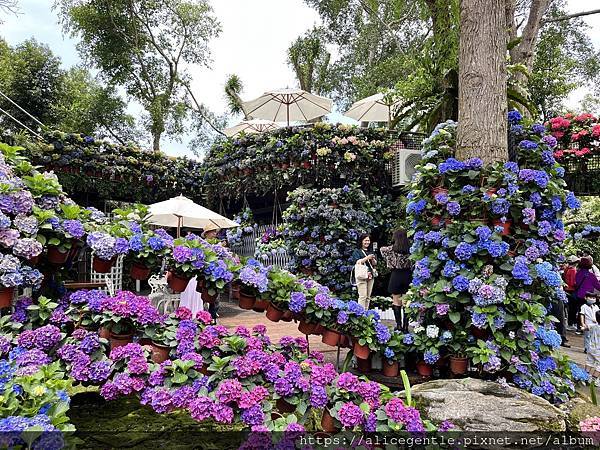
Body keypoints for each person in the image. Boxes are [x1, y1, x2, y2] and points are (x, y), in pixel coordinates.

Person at [380, 229, 412, 331]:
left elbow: (381, 250)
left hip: (395, 276)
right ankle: (406, 326)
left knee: (396, 301)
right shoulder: (410, 249)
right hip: (408, 275)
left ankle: (398, 325)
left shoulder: (391, 250)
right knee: (407, 302)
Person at [351, 233, 377, 309]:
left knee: (368, 297)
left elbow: (374, 264)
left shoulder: (370, 251)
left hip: (370, 275)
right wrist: (367, 258)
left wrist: (373, 259)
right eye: (365, 240)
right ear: (361, 241)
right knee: (363, 296)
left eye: (368, 240)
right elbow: (357, 262)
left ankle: (366, 315)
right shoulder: (357, 251)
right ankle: (360, 315)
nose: (367, 242)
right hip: (361, 276)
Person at [564, 255, 579, 330]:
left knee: (569, 307)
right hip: (572, 290)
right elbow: (573, 283)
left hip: (567, 289)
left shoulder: (567, 269)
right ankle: (571, 323)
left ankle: (570, 323)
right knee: (573, 308)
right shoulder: (573, 270)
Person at [585, 309, 600, 379]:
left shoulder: (593, 326)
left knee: (589, 362)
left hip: (590, 348)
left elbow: (585, 327)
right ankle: (594, 379)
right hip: (598, 350)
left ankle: (584, 376)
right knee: (599, 365)